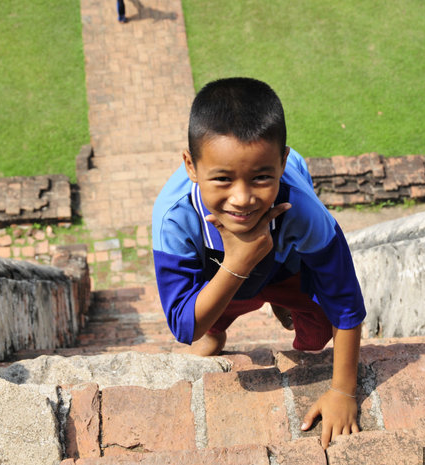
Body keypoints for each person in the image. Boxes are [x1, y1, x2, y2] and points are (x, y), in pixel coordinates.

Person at [152, 77, 366, 449]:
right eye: (221, 179)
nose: (243, 199)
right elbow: (183, 325)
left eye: (261, 177)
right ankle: (225, 325)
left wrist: (343, 392)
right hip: (219, 272)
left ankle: (279, 301)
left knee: (314, 342)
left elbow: (345, 300)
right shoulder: (174, 218)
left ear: (282, 163)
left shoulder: (302, 209)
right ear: (190, 165)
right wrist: (237, 260)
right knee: (205, 331)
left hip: (286, 265)